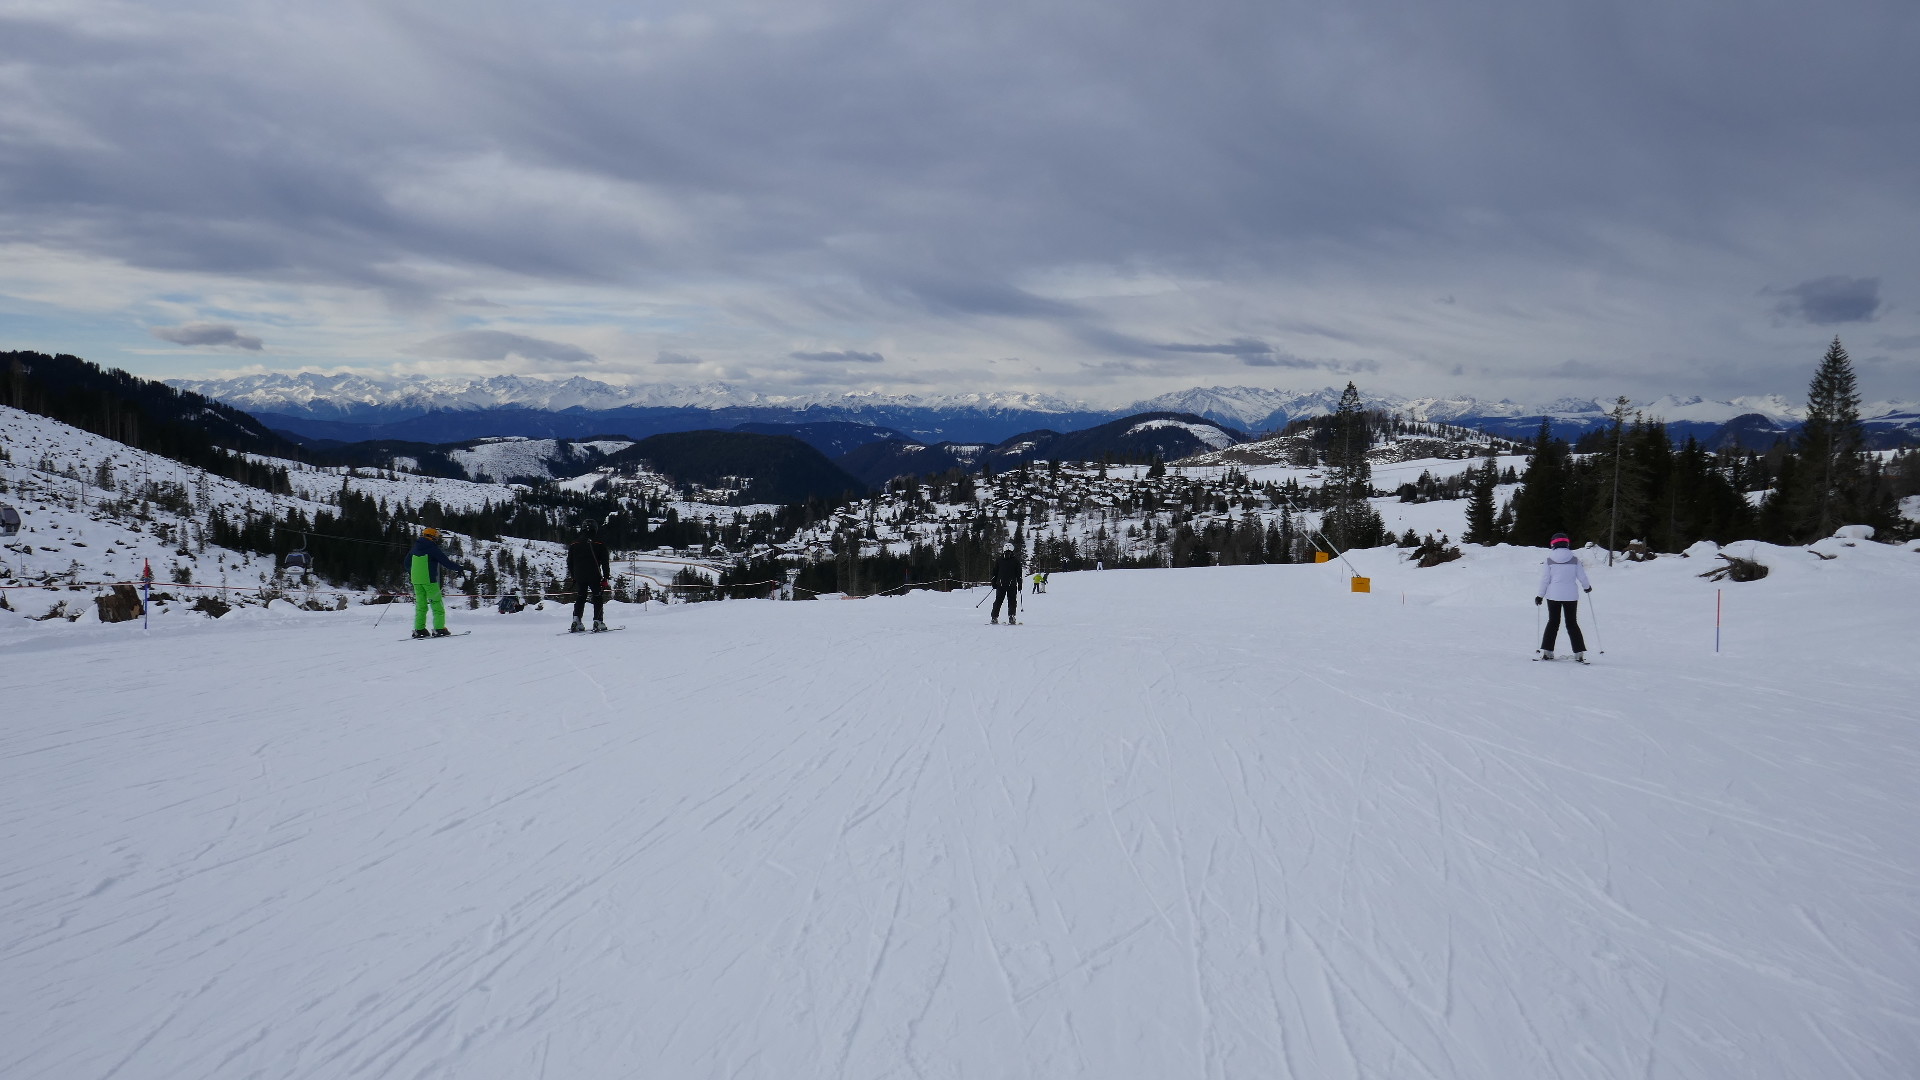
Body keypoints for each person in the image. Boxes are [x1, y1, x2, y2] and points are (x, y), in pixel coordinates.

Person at [1536, 532, 1593, 661]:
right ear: (1567, 543)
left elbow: (1545, 579)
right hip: (1571, 596)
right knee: (1572, 623)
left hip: (1553, 595)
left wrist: (1540, 596)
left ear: (1553, 544)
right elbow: (1582, 576)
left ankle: (1547, 651)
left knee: (1553, 622)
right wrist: (1587, 587)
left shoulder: (1549, 560)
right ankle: (1579, 653)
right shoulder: (1574, 559)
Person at [409, 527, 473, 638]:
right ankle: (439, 628)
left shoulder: (415, 547)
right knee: (436, 604)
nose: (437, 538)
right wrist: (459, 568)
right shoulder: (432, 548)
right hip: (429, 580)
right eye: (436, 536)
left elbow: (407, 563)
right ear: (432, 536)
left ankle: (419, 629)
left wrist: (415, 573)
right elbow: (445, 562)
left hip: (416, 580)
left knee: (421, 605)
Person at [567, 527, 613, 632]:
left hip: (579, 575)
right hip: (594, 575)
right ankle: (598, 621)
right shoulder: (599, 543)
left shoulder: (574, 543)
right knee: (597, 597)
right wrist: (606, 576)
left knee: (581, 596)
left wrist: (573, 576)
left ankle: (576, 620)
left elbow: (569, 562)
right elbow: (605, 562)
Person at [990, 546, 1022, 624]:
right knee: (1012, 601)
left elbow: (994, 572)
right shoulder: (1016, 561)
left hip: (1000, 584)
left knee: (998, 601)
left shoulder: (999, 560)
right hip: (1012, 585)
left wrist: (993, 583)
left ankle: (994, 617)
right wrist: (1020, 584)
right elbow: (1019, 574)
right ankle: (1011, 616)